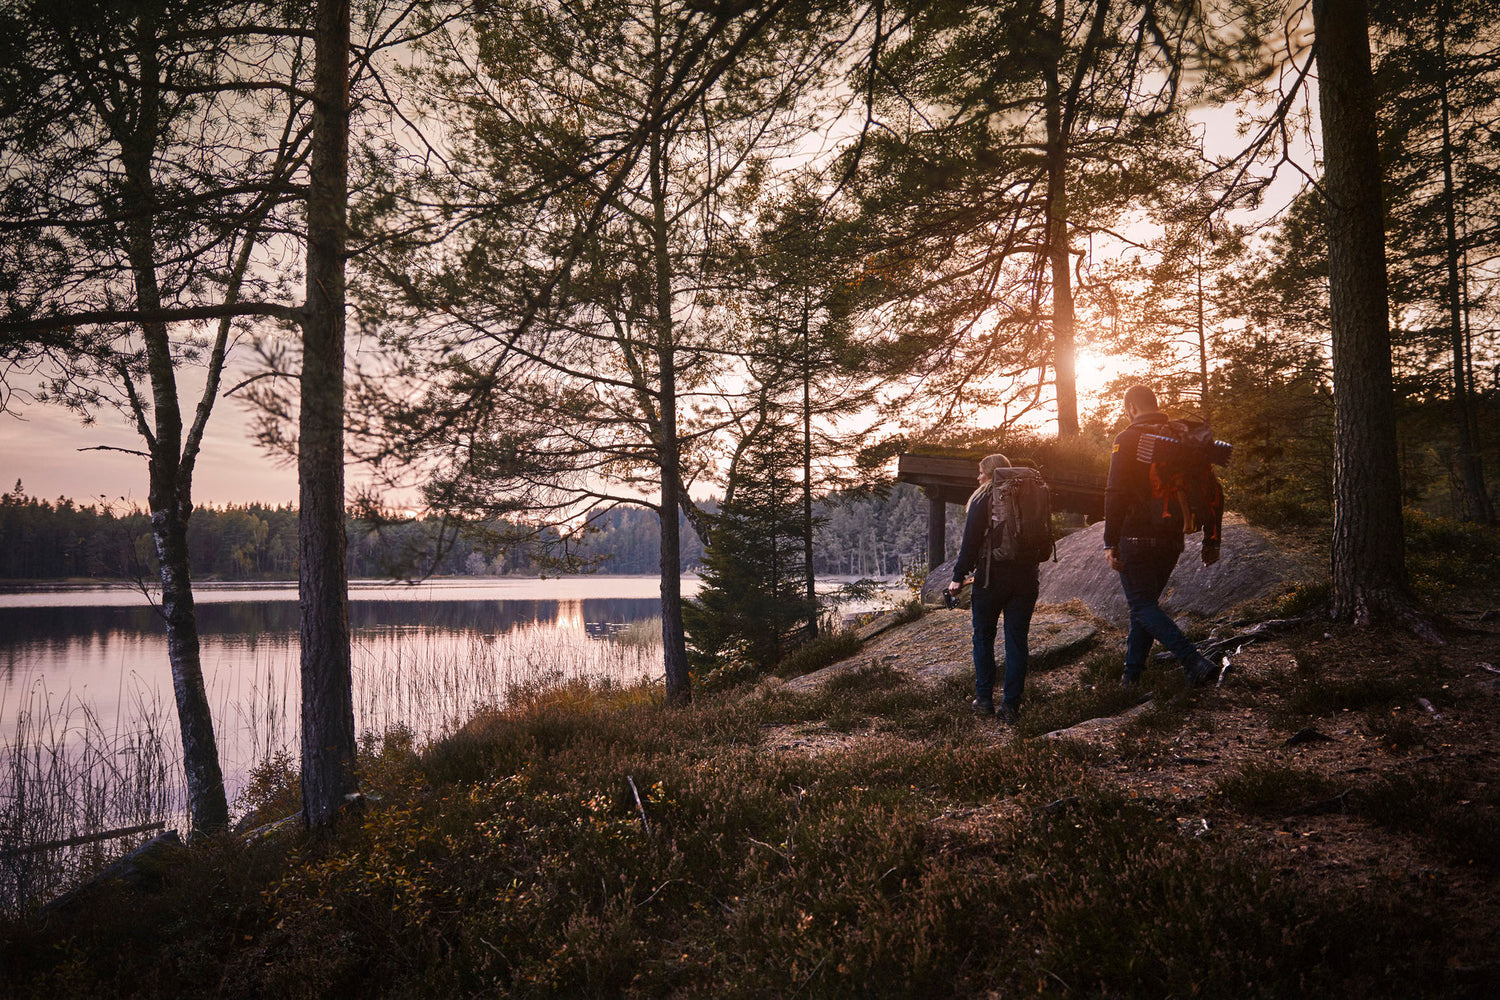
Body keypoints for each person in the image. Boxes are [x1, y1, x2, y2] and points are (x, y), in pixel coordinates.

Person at [1103, 385, 1226, 687]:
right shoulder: (1182, 440)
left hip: (1137, 535)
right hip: (1172, 537)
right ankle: (1131, 677)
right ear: (1154, 404)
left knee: (1142, 606)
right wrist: (1212, 539)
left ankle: (1193, 660)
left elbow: (1115, 492)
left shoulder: (1127, 438)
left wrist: (1110, 540)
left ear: (1131, 407)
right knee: (1144, 606)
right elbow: (1215, 491)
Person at [947, 454, 1040, 724]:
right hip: (1026, 578)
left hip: (991, 578)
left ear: (990, 474)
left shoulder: (982, 498)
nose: (977, 478)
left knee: (983, 638)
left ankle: (985, 699)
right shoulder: (1031, 492)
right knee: (1016, 641)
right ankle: (1011, 706)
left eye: (980, 473)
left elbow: (970, 543)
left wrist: (957, 576)